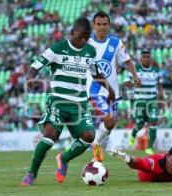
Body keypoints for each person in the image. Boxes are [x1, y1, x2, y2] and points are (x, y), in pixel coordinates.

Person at [21, 17, 115, 186]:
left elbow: (96, 74)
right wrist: (30, 78)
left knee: (89, 136)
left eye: (87, 37)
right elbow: (36, 66)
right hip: (58, 101)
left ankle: (63, 159)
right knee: (50, 136)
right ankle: (31, 173)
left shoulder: (90, 52)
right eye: (81, 36)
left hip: (79, 103)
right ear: (72, 33)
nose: (84, 40)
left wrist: (110, 89)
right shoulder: (57, 48)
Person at [86, 11, 141, 162]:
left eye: (104, 24)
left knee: (110, 125)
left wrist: (135, 76)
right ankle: (95, 144)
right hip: (95, 89)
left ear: (109, 25)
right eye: (98, 24)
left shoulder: (115, 43)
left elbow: (128, 61)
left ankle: (96, 161)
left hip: (113, 91)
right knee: (109, 120)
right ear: (94, 25)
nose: (102, 27)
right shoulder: (87, 42)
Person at [125, 50, 162, 154]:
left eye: (148, 57)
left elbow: (160, 83)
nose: (146, 58)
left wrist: (160, 94)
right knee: (140, 124)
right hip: (139, 100)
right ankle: (133, 134)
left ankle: (149, 148)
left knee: (153, 121)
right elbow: (126, 82)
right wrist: (134, 84)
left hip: (152, 100)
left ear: (151, 58)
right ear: (141, 59)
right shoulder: (135, 69)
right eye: (144, 57)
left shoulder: (156, 70)